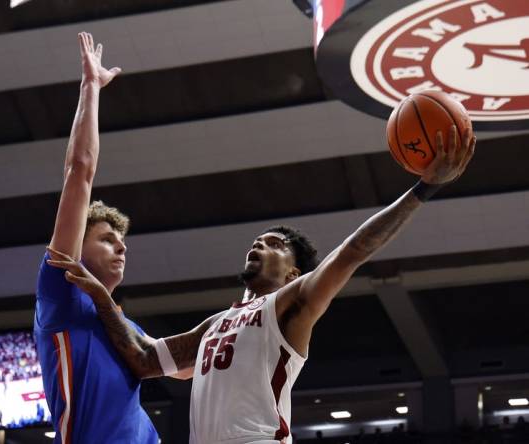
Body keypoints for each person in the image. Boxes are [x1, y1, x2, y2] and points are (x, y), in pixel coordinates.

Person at [46, 125, 476, 443]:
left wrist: (423, 188)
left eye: (275, 244)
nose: (260, 244)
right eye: (258, 240)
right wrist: (102, 297)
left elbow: (354, 250)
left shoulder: (291, 304)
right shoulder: (215, 324)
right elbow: (141, 359)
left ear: (293, 273)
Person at [35, 32, 220, 443]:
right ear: (75, 249)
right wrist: (90, 88)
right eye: (106, 239)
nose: (121, 247)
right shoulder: (59, 294)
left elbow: (186, 368)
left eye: (122, 242)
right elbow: (79, 169)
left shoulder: (122, 325)